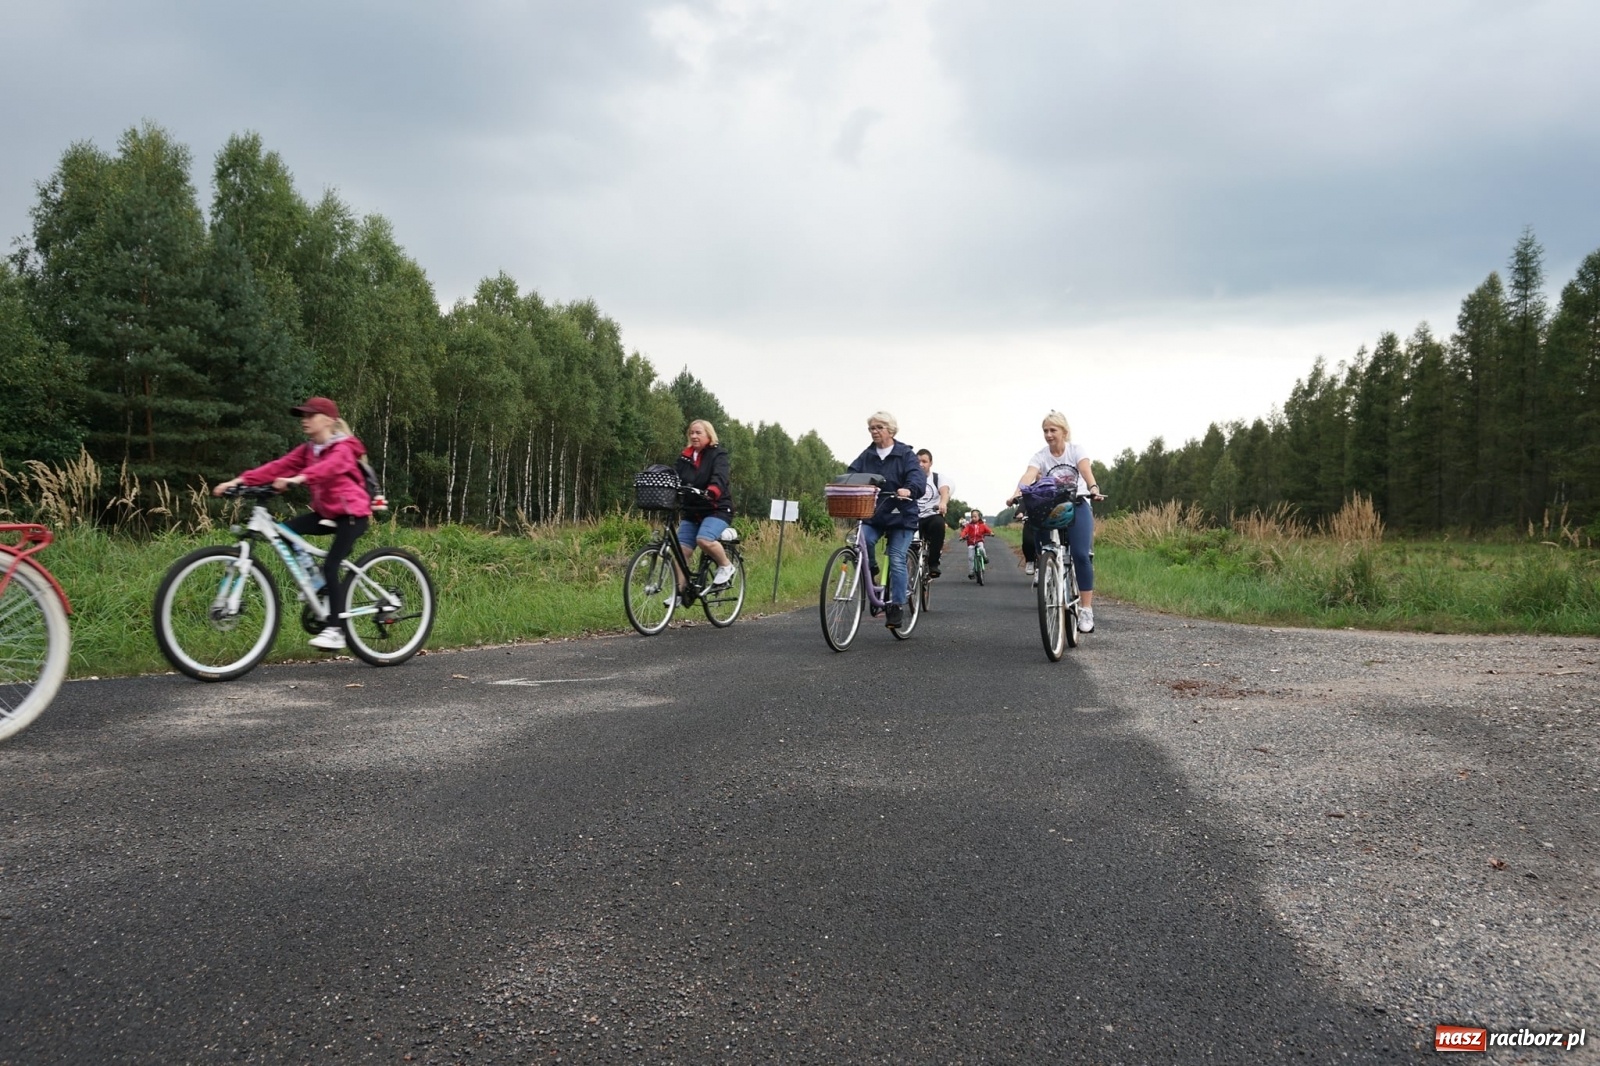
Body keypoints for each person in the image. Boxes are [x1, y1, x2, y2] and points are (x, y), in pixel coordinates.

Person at [213, 397, 373, 651]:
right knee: (285, 531)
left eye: (311, 416)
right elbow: (278, 466)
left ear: (329, 420)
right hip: (327, 513)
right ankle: (317, 582)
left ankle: (336, 630)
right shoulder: (309, 449)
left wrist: (299, 478)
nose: (305, 420)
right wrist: (239, 481)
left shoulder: (343, 448)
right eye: (303, 416)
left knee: (332, 565)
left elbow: (331, 468)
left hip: (352, 515)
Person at [1009, 410, 1103, 632]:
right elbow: (1029, 475)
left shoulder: (1075, 450)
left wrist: (1093, 488)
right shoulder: (1040, 456)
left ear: (1064, 432)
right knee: (1046, 550)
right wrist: (1016, 493)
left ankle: (1086, 609)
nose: (1049, 435)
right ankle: (1050, 571)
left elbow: (1085, 470)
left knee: (1080, 555)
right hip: (1050, 506)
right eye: (1045, 431)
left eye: (1053, 430)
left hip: (1077, 503)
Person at [845, 411, 925, 630]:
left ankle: (896, 605)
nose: (874, 432)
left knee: (897, 558)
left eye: (879, 427)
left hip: (901, 515)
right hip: (875, 514)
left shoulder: (905, 454)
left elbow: (917, 478)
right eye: (871, 428)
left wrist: (909, 489)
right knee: (862, 538)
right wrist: (844, 484)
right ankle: (871, 568)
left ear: (891, 430)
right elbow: (852, 472)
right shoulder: (867, 455)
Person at [669, 419, 736, 605]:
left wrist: (713, 490)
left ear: (709, 434)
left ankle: (726, 566)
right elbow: (675, 476)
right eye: (691, 432)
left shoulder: (718, 454)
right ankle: (680, 593)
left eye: (698, 432)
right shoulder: (685, 458)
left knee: (704, 539)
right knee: (681, 551)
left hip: (716, 509)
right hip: (692, 511)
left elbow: (720, 477)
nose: (694, 436)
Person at [914, 448, 950, 578]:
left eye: (924, 461)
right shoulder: (909, 478)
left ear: (930, 463)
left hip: (931, 515)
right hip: (913, 516)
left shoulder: (937, 478)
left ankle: (933, 563)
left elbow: (944, 491)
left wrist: (943, 502)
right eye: (918, 461)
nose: (921, 464)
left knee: (938, 524)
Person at [961, 510, 992, 578]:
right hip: (971, 542)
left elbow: (988, 530)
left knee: (981, 549)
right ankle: (971, 572)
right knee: (970, 557)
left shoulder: (982, 525)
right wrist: (962, 536)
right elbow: (964, 531)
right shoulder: (969, 525)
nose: (973, 518)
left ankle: (985, 557)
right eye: (972, 517)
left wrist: (991, 533)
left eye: (975, 516)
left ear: (979, 517)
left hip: (979, 540)